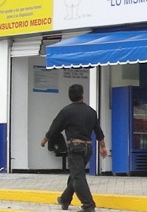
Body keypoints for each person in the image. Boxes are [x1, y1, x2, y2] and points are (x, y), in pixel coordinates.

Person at [40, 84, 108, 212]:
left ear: (69, 96)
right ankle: (65, 199)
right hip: (88, 148)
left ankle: (88, 205)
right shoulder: (91, 112)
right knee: (76, 174)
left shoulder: (66, 111)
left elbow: (54, 128)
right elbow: (98, 132)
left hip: (75, 147)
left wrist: (44, 140)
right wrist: (103, 147)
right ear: (82, 95)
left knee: (78, 176)